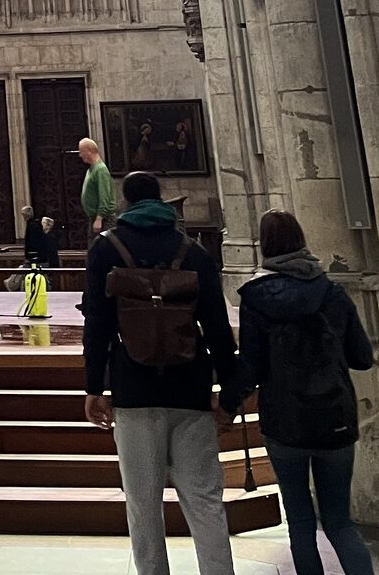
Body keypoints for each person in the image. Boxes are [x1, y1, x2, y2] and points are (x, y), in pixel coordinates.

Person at [82, 170, 238, 575]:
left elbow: (97, 323)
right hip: (190, 388)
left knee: (143, 502)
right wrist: (230, 394)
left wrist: (94, 386)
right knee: (204, 500)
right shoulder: (193, 251)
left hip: (133, 388)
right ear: (161, 199)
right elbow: (218, 328)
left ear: (126, 201)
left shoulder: (106, 247)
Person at [235, 210, 375, 575]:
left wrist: (228, 405)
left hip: (284, 422)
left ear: (265, 246)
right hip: (335, 417)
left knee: (299, 522)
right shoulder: (332, 292)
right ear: (301, 241)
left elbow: (250, 366)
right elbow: (362, 357)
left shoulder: (255, 297)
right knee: (340, 523)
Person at [78, 135, 116, 235]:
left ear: (88, 151)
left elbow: (104, 195)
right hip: (95, 217)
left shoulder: (101, 170)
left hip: (104, 220)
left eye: (81, 151)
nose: (80, 155)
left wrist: (99, 218)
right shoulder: (92, 169)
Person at [23, 205, 60, 270]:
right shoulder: (44, 235)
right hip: (43, 262)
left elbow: (49, 252)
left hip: (47, 263)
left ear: (48, 225)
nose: (42, 225)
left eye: (43, 223)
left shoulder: (48, 237)